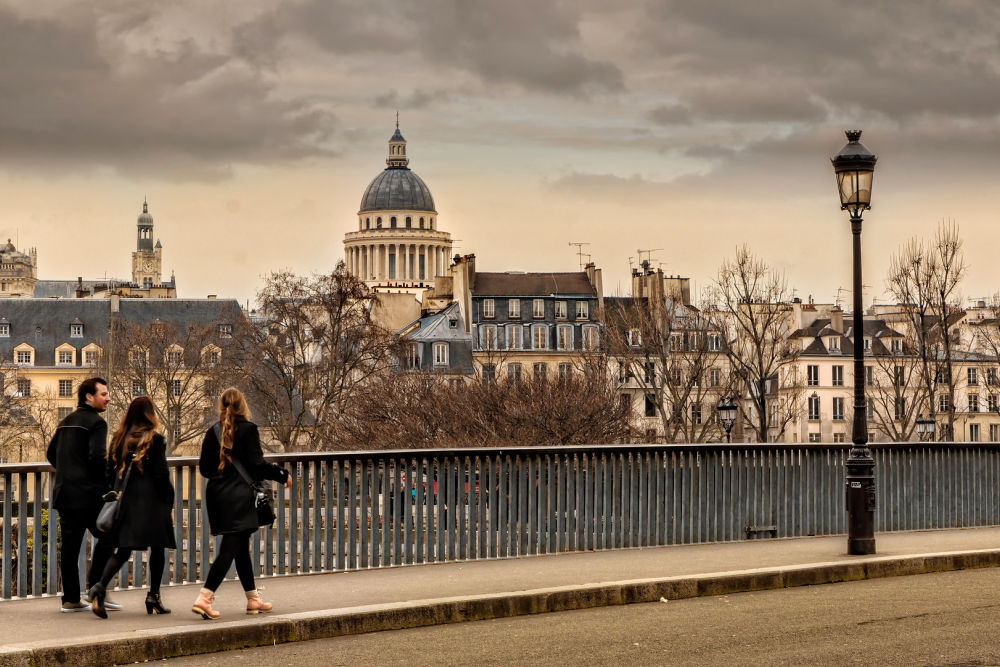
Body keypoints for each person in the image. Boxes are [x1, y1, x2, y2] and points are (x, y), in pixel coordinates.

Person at [191, 388, 291, 620]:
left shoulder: (212, 432)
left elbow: (205, 469)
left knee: (239, 545)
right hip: (240, 495)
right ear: (243, 405)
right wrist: (281, 474)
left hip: (217, 494)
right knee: (230, 547)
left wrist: (223, 466)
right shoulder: (248, 429)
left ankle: (253, 598)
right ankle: (205, 598)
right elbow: (257, 465)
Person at [87, 396, 176, 619]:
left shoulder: (118, 438)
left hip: (126, 501)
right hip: (152, 501)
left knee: (123, 549)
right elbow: (161, 474)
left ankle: (99, 586)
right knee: (157, 548)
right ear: (150, 415)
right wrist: (168, 499)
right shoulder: (155, 439)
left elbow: (109, 472)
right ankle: (153, 596)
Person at [46, 377, 121, 613]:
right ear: (89, 397)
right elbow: (98, 457)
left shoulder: (66, 421)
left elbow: (50, 453)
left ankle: (70, 600)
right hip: (88, 495)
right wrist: (107, 483)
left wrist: (67, 471)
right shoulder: (97, 423)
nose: (108, 398)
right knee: (110, 537)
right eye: (103, 394)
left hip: (65, 494)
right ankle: (97, 589)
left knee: (70, 547)